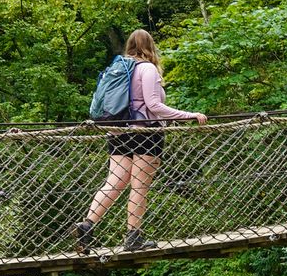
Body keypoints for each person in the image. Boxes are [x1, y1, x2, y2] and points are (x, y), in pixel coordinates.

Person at [76, 30, 206, 252]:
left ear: (129, 46)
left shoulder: (119, 68)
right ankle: (133, 237)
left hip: (117, 133)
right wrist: (189, 115)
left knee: (114, 182)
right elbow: (154, 106)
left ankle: (87, 225)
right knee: (139, 186)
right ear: (150, 46)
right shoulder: (148, 69)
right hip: (145, 134)